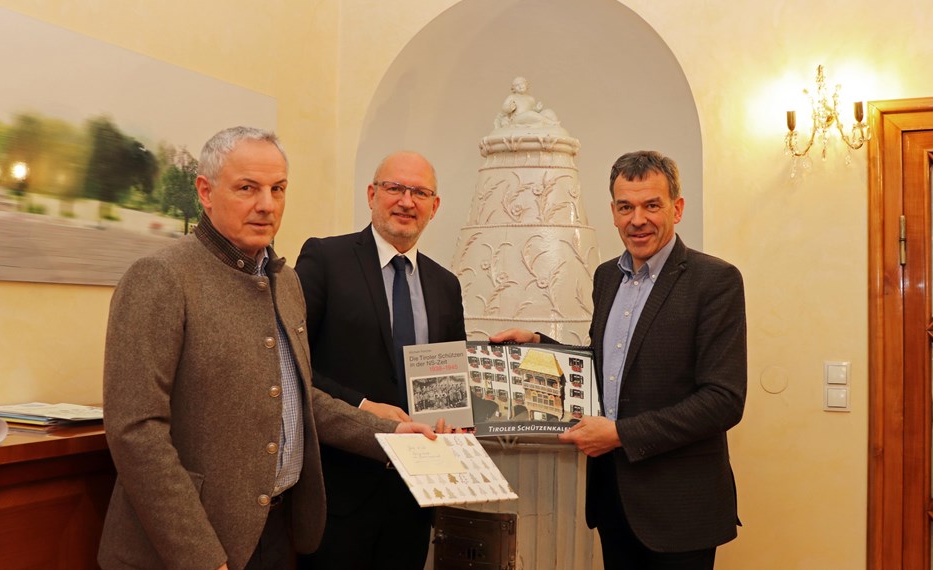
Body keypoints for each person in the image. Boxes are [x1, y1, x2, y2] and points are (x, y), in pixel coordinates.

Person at [98, 127, 438, 570]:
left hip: (274, 535)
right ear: (205, 191)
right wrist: (201, 558)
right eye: (247, 188)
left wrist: (389, 435)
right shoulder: (161, 276)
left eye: (277, 189)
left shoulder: (285, 280)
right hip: (185, 548)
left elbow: (298, 398)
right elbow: (136, 433)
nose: (266, 204)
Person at [491, 150, 747, 570]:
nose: (637, 219)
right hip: (614, 501)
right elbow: (606, 366)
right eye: (625, 206)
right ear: (612, 211)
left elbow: (723, 399)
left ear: (677, 208)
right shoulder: (607, 275)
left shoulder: (715, 280)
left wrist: (621, 434)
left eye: (651, 205)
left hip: (680, 510)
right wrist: (538, 344)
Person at [295, 151, 466, 570]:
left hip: (414, 493)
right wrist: (361, 406)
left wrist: (455, 417)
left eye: (420, 192)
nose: (406, 201)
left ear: (434, 206)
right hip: (340, 490)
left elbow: (450, 380)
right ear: (372, 194)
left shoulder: (446, 284)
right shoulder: (324, 260)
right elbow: (293, 363)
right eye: (395, 188)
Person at [494, 76, 560, 129]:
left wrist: (537, 109)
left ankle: (555, 128)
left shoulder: (531, 99)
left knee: (549, 112)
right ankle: (550, 123)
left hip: (529, 116)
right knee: (529, 114)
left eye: (522, 83)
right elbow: (504, 108)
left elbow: (532, 111)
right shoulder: (512, 97)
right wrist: (509, 108)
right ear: (513, 88)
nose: (520, 86)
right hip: (517, 120)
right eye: (517, 85)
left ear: (526, 84)